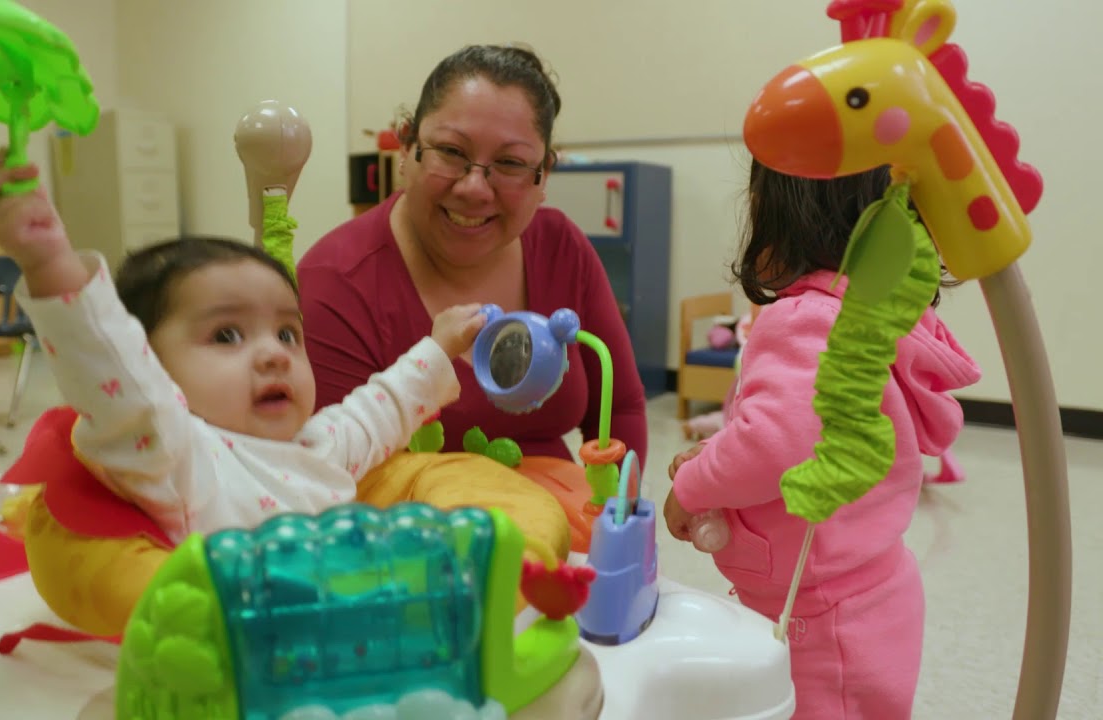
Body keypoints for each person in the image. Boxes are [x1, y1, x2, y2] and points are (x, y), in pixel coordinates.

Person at [0, 150, 486, 545]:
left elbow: (378, 411)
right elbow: (112, 370)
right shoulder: (176, 457)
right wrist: (47, 260)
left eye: (287, 333)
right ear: (149, 365)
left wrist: (439, 347)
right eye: (226, 335)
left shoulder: (317, 446)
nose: (275, 354)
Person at [662, 159, 981, 719]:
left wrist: (691, 486)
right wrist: (719, 452)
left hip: (814, 615)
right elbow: (805, 429)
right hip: (869, 591)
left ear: (786, 222)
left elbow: (774, 445)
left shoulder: (806, 319)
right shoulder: (875, 318)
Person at [297, 44, 648, 467]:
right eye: (451, 152)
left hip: (562, 508)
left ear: (543, 176)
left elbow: (621, 408)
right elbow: (327, 475)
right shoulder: (335, 284)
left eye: (510, 162)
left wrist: (617, 504)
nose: (474, 188)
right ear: (407, 147)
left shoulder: (561, 247)